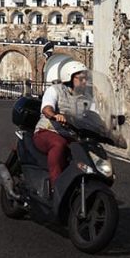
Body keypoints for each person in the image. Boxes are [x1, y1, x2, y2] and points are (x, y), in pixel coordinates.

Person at [34, 61, 89, 192]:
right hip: (47, 131)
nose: (85, 82)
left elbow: (93, 115)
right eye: (81, 79)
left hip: (70, 134)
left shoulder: (85, 98)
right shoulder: (55, 90)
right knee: (58, 144)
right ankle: (56, 186)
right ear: (69, 78)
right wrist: (55, 115)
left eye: (86, 79)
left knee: (86, 150)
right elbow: (47, 108)